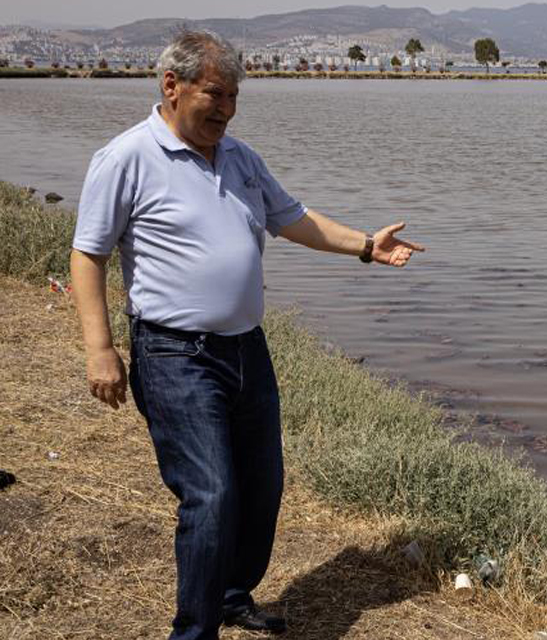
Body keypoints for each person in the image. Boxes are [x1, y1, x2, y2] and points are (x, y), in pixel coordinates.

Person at [68, 29, 424, 640]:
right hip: (174, 352)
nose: (227, 109)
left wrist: (366, 246)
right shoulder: (126, 157)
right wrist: (100, 349)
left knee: (261, 487)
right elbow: (87, 254)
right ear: (172, 87)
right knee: (210, 493)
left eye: (234, 95)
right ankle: (195, 631)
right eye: (215, 94)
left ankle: (232, 595)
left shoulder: (239, 157)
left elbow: (294, 219)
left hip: (246, 349)